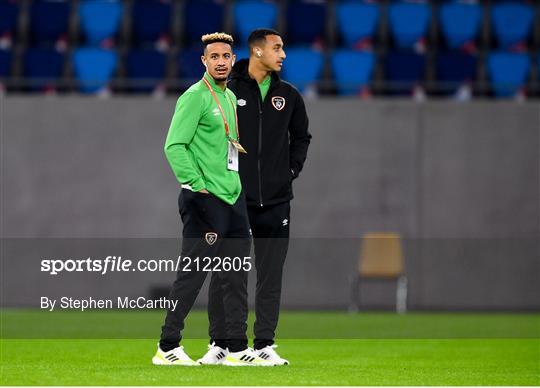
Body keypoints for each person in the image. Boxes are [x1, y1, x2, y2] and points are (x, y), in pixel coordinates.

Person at [152, 32, 272, 367]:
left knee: (234, 275)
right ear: (204, 62)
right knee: (192, 274)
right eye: (214, 56)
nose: (220, 61)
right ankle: (167, 346)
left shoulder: (231, 98)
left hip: (232, 197)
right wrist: (196, 184)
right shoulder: (195, 97)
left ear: (234, 61)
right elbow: (174, 145)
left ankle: (234, 347)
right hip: (204, 199)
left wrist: (234, 186)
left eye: (226, 56)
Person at [198, 28, 311, 366]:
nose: (283, 54)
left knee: (270, 273)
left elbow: (302, 137)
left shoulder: (288, 96)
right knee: (226, 271)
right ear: (258, 52)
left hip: (277, 201)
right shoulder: (228, 90)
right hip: (234, 199)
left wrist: (289, 172)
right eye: (277, 48)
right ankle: (221, 343)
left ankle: (264, 344)